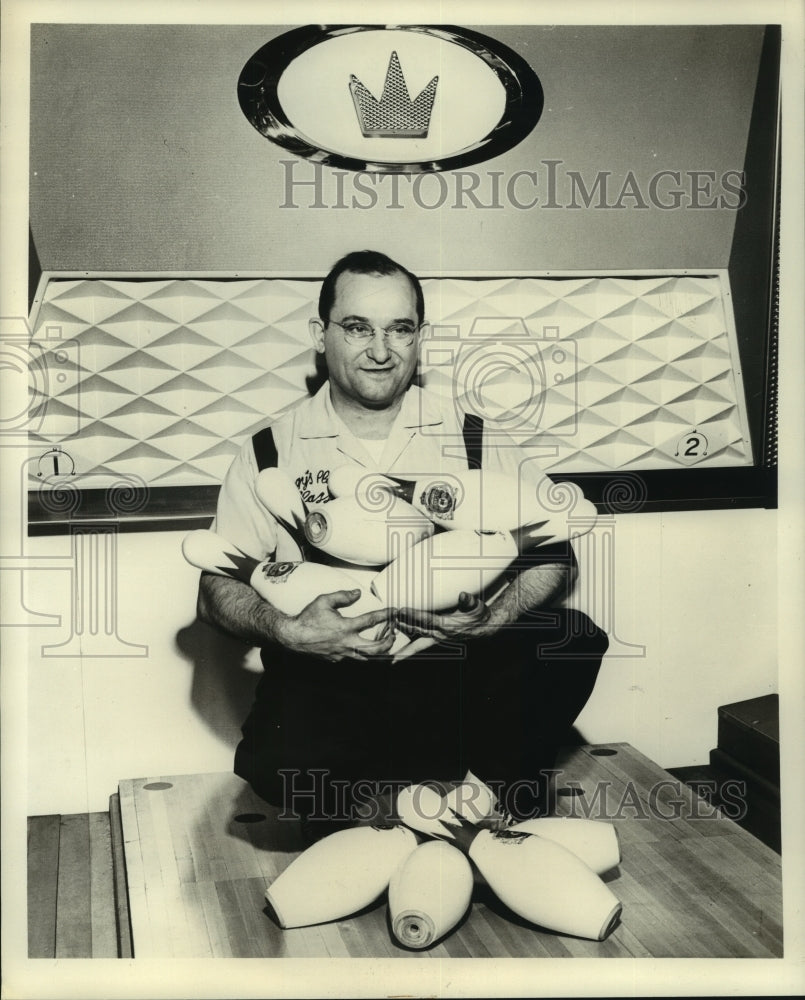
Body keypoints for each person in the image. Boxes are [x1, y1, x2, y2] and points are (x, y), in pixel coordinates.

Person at [197, 250, 608, 827]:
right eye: (358, 327)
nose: (381, 350)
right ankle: (394, 808)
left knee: (572, 637)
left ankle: (476, 797)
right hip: (335, 678)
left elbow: (556, 551)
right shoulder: (271, 450)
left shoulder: (471, 438)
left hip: (451, 674)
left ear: (422, 338)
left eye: (400, 329)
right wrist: (291, 631)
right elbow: (215, 589)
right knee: (274, 762)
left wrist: (493, 617)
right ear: (321, 333)